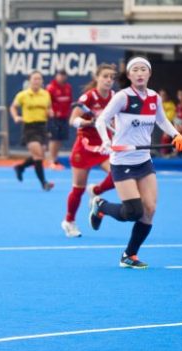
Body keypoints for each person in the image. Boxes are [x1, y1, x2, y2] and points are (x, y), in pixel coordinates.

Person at [89, 57, 182, 269]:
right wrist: (106, 141)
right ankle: (101, 206)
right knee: (133, 212)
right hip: (122, 161)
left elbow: (162, 120)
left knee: (149, 209)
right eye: (136, 70)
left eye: (144, 69)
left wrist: (176, 135)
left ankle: (129, 254)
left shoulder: (154, 97)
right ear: (130, 75)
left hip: (143, 160)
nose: (140, 73)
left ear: (149, 74)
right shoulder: (123, 97)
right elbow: (101, 120)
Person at [61, 63, 117, 238]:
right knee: (78, 189)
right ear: (97, 78)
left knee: (118, 173)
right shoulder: (88, 97)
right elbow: (73, 120)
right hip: (85, 146)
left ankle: (96, 191)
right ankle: (69, 222)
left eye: (112, 77)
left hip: (104, 144)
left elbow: (116, 119)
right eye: (105, 76)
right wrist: (88, 122)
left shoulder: (115, 97)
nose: (109, 80)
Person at [10, 71, 54, 191]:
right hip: (29, 127)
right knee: (38, 155)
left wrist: (50, 112)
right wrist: (16, 117)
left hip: (42, 127)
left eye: (39, 79)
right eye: (34, 79)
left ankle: (20, 167)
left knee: (39, 155)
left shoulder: (45, 94)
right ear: (29, 81)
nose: (37, 81)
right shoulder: (23, 95)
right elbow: (13, 107)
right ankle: (44, 183)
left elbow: (49, 108)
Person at [46, 69, 72, 170]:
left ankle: (55, 158)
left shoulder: (68, 87)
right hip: (54, 118)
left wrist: (69, 114)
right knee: (54, 139)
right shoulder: (51, 88)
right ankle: (52, 160)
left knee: (60, 139)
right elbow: (47, 102)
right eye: (60, 75)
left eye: (64, 75)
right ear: (56, 76)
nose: (62, 77)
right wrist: (50, 111)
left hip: (64, 117)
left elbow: (69, 101)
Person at [162, 89, 182, 156]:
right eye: (179, 95)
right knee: (166, 133)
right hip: (179, 126)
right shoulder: (178, 106)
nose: (180, 96)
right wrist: (176, 125)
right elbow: (175, 118)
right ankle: (165, 153)